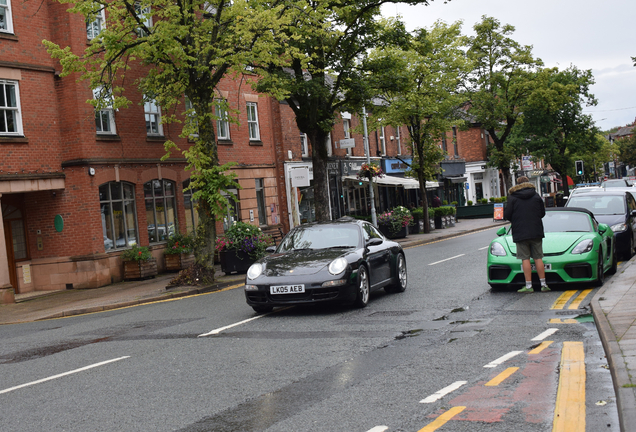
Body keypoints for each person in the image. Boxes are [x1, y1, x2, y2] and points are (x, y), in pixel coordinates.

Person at [504, 176, 550, 293]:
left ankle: (529, 286)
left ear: (517, 184)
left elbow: (507, 214)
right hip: (536, 231)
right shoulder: (536, 196)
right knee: (538, 257)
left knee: (525, 259)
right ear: (528, 183)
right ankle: (544, 284)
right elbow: (542, 213)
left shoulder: (513, 197)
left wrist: (516, 219)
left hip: (520, 232)